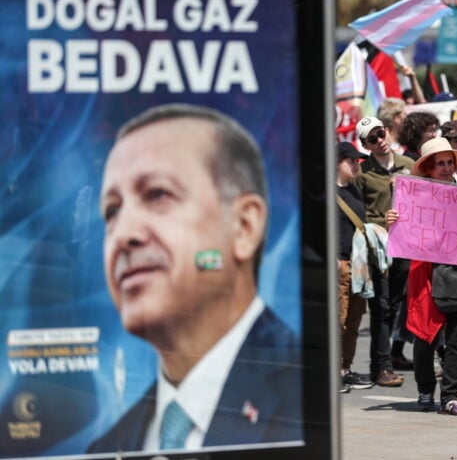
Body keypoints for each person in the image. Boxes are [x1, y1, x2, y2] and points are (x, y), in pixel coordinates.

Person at [89, 104, 301, 453]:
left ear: (244, 226)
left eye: (157, 194)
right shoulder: (108, 447)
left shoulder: (304, 390)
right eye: (112, 210)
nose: (123, 234)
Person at [386, 137, 457, 415]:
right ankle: (425, 390)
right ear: (428, 167)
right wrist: (392, 222)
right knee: (425, 338)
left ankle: (451, 395)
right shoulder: (414, 199)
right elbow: (402, 239)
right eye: (440, 163)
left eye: (450, 162)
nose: (446, 167)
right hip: (426, 276)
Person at [355, 116, 414, 387]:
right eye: (372, 139)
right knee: (380, 307)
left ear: (388, 132)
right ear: (366, 145)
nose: (380, 141)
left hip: (405, 246)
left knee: (395, 304)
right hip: (377, 248)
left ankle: (390, 356)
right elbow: (358, 214)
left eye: (381, 133)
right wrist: (381, 221)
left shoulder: (409, 166)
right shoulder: (363, 173)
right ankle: (381, 366)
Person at [336, 142, 375, 393]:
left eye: (357, 161)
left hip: (358, 264)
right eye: (350, 160)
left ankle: (345, 368)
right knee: (337, 320)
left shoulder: (354, 190)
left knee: (354, 321)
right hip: (339, 263)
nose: (355, 164)